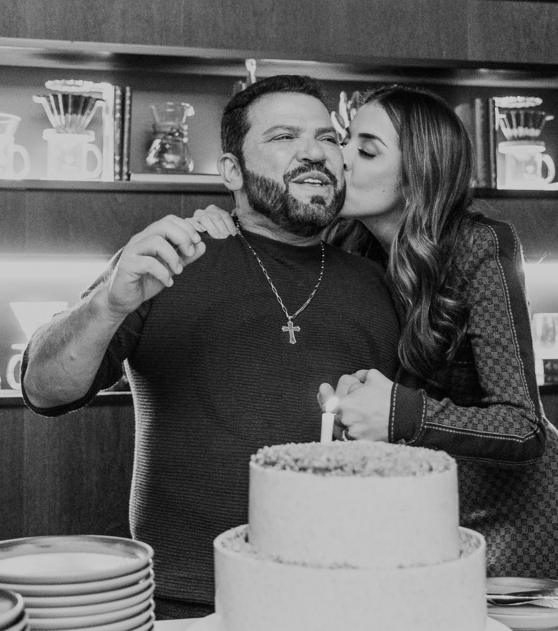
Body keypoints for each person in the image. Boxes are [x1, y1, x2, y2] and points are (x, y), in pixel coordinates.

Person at [195, 84, 558, 587]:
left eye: (366, 151)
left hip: (530, 518)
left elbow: (523, 427)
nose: (338, 158)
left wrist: (399, 413)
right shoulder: (348, 246)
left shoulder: (478, 245)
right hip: (430, 515)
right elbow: (274, 228)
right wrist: (227, 221)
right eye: (343, 141)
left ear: (417, 176)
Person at [21, 75, 402, 619]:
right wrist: (107, 304)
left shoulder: (379, 283)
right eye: (284, 137)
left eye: (326, 137)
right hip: (186, 601)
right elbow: (44, 389)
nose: (315, 152)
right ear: (231, 171)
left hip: (344, 597)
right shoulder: (168, 258)